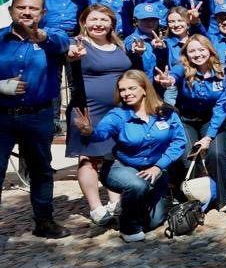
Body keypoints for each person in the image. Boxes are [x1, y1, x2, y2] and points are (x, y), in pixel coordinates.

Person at [71, 70, 186, 242]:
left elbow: (179, 142)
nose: (126, 93)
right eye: (122, 90)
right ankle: (128, 227)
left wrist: (159, 166)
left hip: (155, 170)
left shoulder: (166, 112)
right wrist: (89, 131)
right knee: (137, 184)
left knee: (153, 222)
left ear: (145, 89)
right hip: (121, 166)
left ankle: (132, 204)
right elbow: (101, 133)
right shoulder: (118, 114)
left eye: (132, 88)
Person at [0, 0, 72, 238]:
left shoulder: (53, 39)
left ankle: (44, 222)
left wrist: (41, 36)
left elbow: (63, 44)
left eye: (33, 8)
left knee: (41, 170)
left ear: (43, 13)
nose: (27, 12)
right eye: (21, 7)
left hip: (38, 116)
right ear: (11, 10)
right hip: (1, 117)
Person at [65, 6, 141, 226]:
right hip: (89, 109)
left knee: (114, 155)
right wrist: (72, 55)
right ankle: (96, 208)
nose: (98, 24)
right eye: (93, 19)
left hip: (118, 110)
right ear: (84, 22)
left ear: (111, 24)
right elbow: (67, 55)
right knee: (89, 158)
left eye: (104, 20)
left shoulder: (119, 45)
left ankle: (115, 202)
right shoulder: (77, 43)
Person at [155, 35, 226, 211]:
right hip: (187, 119)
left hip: (213, 120)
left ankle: (222, 198)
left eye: (201, 49)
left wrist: (209, 137)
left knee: (216, 154)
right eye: (192, 51)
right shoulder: (182, 68)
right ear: (186, 54)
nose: (197, 54)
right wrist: (169, 81)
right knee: (188, 156)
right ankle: (198, 197)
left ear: (210, 50)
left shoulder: (222, 72)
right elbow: (173, 76)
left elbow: (222, 107)